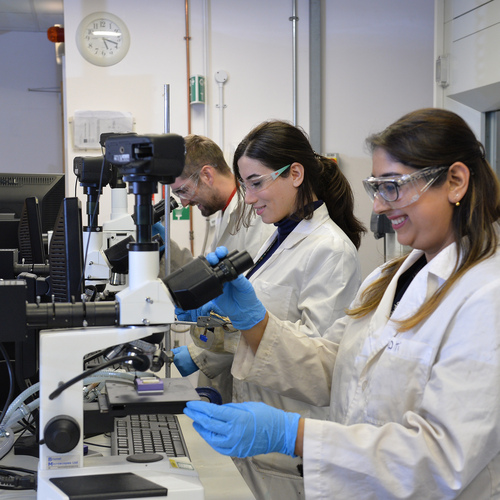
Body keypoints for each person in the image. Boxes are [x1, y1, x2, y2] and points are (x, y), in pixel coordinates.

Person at [182, 108, 500, 499]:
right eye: (375, 188)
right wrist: (254, 322)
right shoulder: (386, 280)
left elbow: (441, 458)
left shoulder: (487, 295)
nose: (379, 206)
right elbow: (336, 367)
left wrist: (293, 435)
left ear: (455, 181)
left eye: (393, 186)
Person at [175, 120, 365, 499]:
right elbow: (260, 326)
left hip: (288, 444)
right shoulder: (278, 237)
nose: (248, 196)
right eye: (245, 185)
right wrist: (213, 331)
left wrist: (246, 324)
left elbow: (322, 366)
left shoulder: (330, 249)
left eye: (257, 182)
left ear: (296, 174)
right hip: (255, 432)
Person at [168, 134, 274, 402]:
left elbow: (256, 313)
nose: (182, 202)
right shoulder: (225, 215)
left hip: (251, 370)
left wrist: (199, 356)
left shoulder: (257, 218)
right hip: (230, 365)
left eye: (182, 191)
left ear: (206, 174)